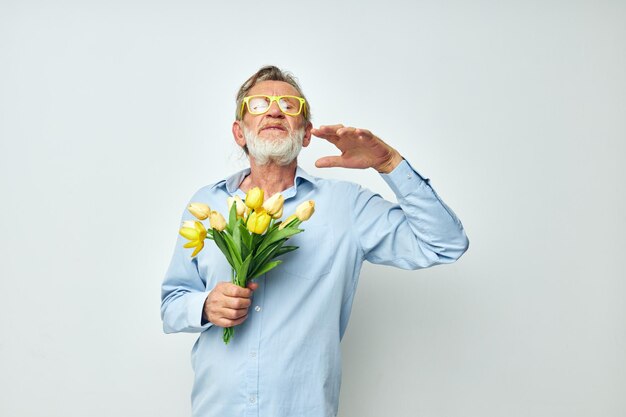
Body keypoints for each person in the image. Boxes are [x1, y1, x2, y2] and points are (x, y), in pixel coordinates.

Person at [161, 65, 469, 417]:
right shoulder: (207, 205)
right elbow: (171, 304)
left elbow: (445, 243)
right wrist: (205, 306)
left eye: (289, 105)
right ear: (239, 132)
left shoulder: (346, 207)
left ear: (306, 133)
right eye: (259, 104)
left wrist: (389, 164)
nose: (275, 110)